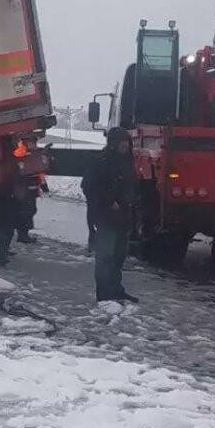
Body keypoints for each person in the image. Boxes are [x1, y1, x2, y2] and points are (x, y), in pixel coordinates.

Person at [83, 127, 138, 302]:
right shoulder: (100, 161)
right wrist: (108, 201)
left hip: (124, 215)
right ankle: (104, 293)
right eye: (121, 142)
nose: (125, 145)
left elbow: (131, 185)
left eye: (126, 142)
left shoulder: (128, 162)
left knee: (119, 255)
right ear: (113, 143)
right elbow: (89, 186)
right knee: (105, 256)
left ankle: (116, 288)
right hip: (106, 216)